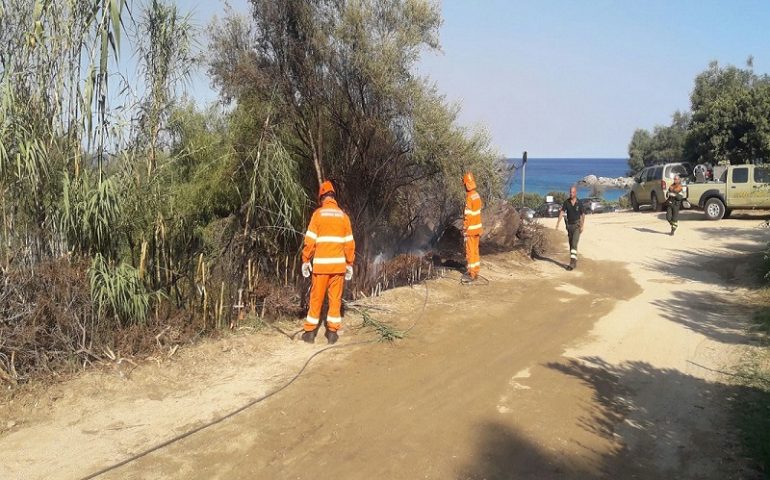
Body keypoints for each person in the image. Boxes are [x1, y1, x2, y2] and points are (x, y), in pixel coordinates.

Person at [300, 181, 355, 344]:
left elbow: (310, 241)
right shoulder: (344, 217)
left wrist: (305, 259)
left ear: (322, 197)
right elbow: (349, 244)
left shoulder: (318, 215)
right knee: (335, 299)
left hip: (321, 267)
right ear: (333, 197)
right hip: (338, 267)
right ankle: (332, 334)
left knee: (316, 299)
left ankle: (309, 333)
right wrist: (349, 264)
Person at [555, 186, 585, 271]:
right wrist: (558, 223)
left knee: (574, 244)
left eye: (572, 192)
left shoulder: (579, 203)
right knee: (571, 245)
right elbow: (562, 212)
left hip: (577, 226)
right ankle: (574, 261)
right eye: (570, 192)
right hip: (569, 226)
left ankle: (572, 264)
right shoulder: (566, 202)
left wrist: (582, 225)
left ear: (576, 193)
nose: (571, 194)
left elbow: (582, 215)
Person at [462, 171, 483, 282]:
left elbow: (468, 216)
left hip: (470, 230)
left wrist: (465, 229)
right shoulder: (477, 195)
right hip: (478, 229)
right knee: (475, 251)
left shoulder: (470, 197)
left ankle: (471, 274)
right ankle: (476, 272)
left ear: (466, 184)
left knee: (470, 252)